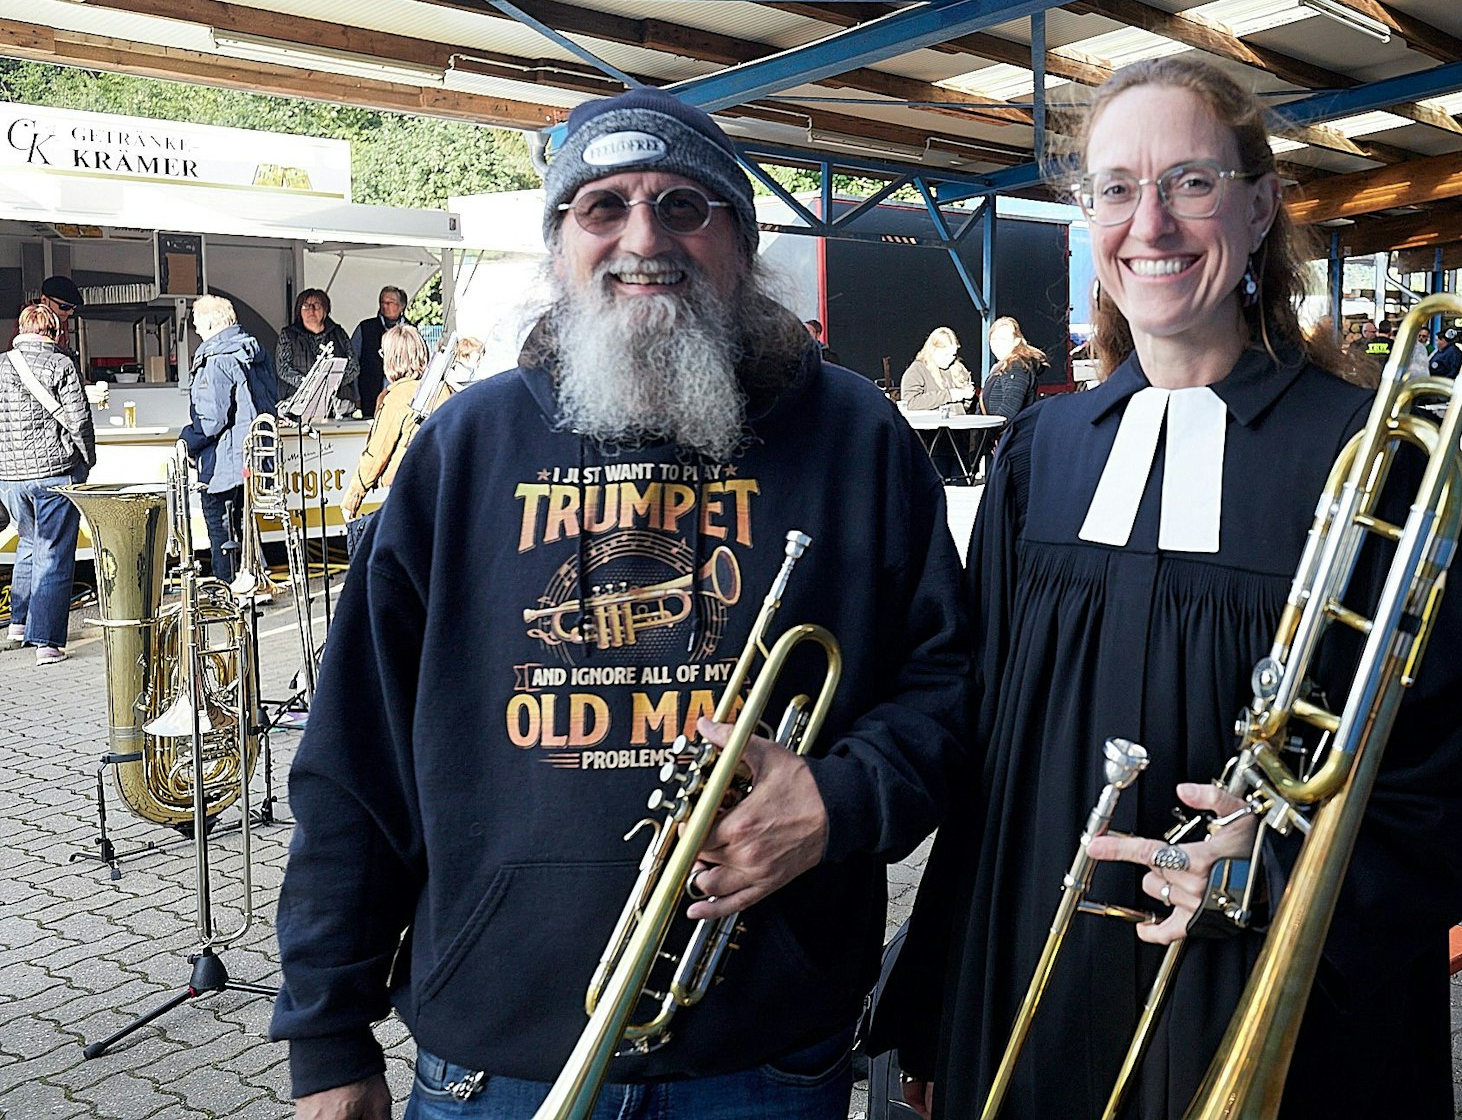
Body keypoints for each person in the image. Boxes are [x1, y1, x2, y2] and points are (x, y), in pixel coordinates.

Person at [874, 55, 1462, 1120]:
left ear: (1258, 209)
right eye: (1115, 188)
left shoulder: (1386, 461)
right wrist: (930, 996)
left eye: (1189, 183)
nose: (1147, 223)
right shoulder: (1039, 451)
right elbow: (986, 748)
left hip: (1274, 992)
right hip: (1031, 973)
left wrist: (1286, 876)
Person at [268, 85, 970, 1120]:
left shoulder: (856, 436)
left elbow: (947, 689)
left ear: (740, 237)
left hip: (768, 1055)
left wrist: (840, 799)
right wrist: (325, 1034)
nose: (645, 238)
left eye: (685, 205)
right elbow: (353, 761)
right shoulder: (461, 452)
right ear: (559, 244)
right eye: (603, 207)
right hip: (494, 1060)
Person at [1, 302, 94, 664]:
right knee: (54, 553)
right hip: (54, 471)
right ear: (53, 332)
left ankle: (19, 624)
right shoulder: (60, 364)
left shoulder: (1, 365)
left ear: (20, 329)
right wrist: (87, 459)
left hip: (10, 478)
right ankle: (48, 643)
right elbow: (79, 420)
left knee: (28, 541)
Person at [178, 295, 277, 587]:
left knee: (221, 531)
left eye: (196, 324)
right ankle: (253, 585)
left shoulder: (216, 359)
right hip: (253, 457)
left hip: (223, 462)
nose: (195, 330)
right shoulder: (254, 351)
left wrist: (185, 441)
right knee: (246, 527)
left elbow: (211, 420)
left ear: (210, 323)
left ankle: (227, 593)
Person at [340, 325, 451, 554]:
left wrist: (352, 498)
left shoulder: (396, 397)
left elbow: (376, 454)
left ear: (393, 358)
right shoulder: (444, 389)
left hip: (410, 491)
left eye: (383, 354)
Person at [275, 288, 354, 409]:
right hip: (297, 401)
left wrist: (331, 384)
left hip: (337, 402)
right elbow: (283, 368)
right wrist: (310, 385)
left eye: (316, 306)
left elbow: (353, 367)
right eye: (305, 306)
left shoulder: (339, 334)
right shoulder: (288, 335)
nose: (311, 310)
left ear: (325, 310)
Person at [350, 286, 409, 418]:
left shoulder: (410, 331)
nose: (385, 305)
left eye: (390, 302)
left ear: (401, 306)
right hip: (370, 398)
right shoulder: (365, 328)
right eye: (382, 302)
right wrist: (356, 395)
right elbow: (352, 362)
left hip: (404, 397)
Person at [978, 316, 1044, 421]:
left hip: (1010, 434)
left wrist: (990, 430)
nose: (997, 343)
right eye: (993, 339)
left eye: (1003, 339)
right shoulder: (1003, 365)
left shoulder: (1016, 366)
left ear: (1017, 341)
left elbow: (1010, 406)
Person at [900, 327, 972, 415]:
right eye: (945, 354)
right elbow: (910, 403)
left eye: (953, 354)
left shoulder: (959, 370)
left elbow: (967, 409)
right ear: (932, 350)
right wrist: (949, 395)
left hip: (959, 426)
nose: (949, 359)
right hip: (930, 427)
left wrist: (968, 398)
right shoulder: (917, 370)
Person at [38, 276, 82, 365]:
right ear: (44, 300)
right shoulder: (30, 323)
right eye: (64, 307)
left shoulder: (61, 321)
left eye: (73, 308)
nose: (70, 312)